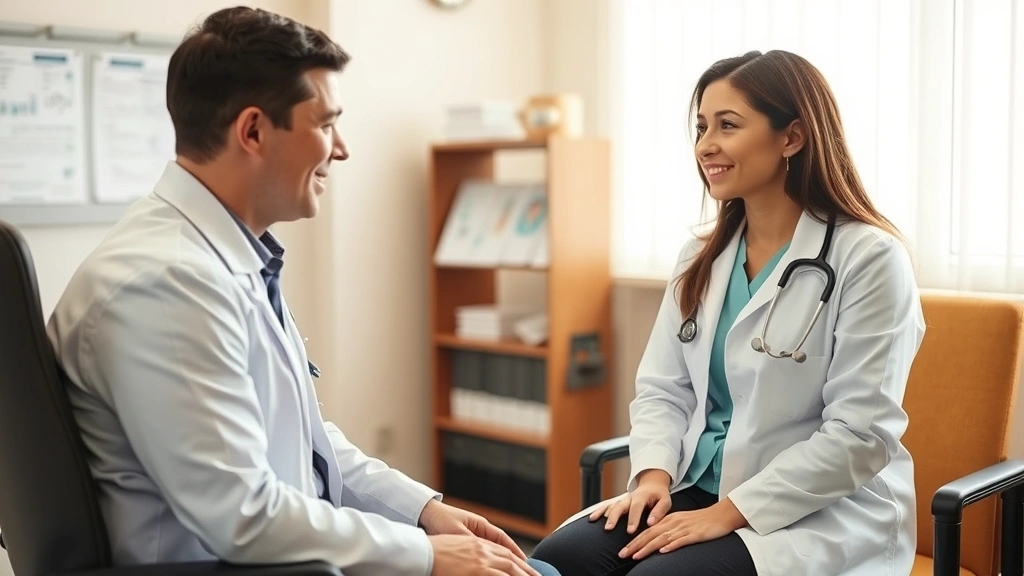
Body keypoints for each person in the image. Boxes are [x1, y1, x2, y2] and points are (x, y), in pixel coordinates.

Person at [46, 7, 558, 576]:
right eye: (325, 124)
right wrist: (427, 556)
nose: (341, 149)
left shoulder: (224, 253)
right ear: (254, 132)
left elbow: (303, 441)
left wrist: (423, 513)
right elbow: (243, 515)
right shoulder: (168, 283)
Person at [531, 50, 925, 576]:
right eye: (701, 127)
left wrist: (727, 514)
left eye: (727, 125)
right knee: (560, 558)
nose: (705, 146)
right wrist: (651, 481)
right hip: (695, 487)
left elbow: (860, 435)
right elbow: (663, 389)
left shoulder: (870, 259)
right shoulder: (701, 256)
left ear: (792, 137)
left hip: (814, 511)